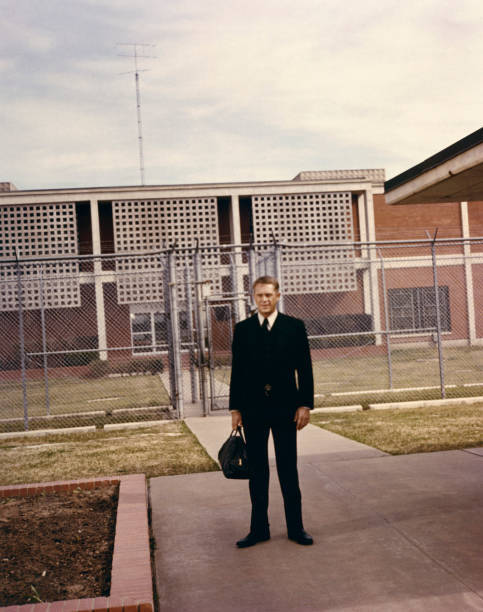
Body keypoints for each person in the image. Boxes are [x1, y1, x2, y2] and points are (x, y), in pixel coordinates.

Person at [229, 275, 314, 548]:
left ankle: (296, 528)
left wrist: (305, 404)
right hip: (253, 410)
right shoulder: (243, 330)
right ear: (253, 298)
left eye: (268, 295)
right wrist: (235, 409)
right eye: (259, 295)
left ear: (278, 296)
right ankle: (258, 529)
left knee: (288, 468)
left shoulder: (294, 327)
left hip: (286, 409)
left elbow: (305, 369)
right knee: (257, 471)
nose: (264, 300)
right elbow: (237, 373)